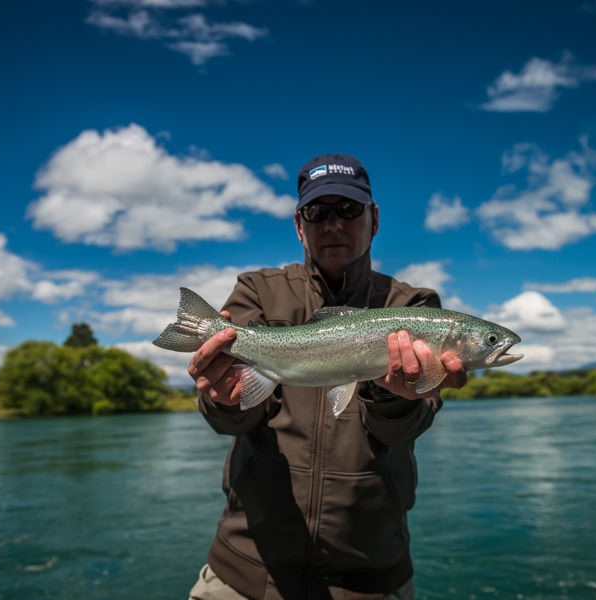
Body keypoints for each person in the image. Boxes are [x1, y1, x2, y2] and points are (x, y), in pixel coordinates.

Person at [187, 153, 467, 599]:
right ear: (300, 225)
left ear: (373, 219)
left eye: (349, 210)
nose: (334, 224)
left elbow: (413, 421)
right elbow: (234, 415)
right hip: (248, 569)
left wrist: (396, 397)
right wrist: (225, 399)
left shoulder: (414, 304)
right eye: (319, 213)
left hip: (371, 575)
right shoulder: (258, 291)